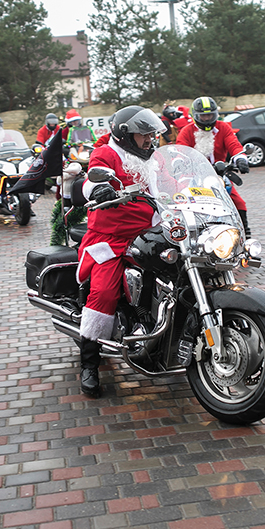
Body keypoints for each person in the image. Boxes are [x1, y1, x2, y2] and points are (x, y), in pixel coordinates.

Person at [77, 105, 167, 397]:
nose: (150, 140)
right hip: (111, 237)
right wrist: (98, 190)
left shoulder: (154, 157)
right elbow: (92, 179)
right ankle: (89, 362)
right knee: (103, 291)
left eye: (153, 135)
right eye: (145, 135)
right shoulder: (107, 153)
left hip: (153, 232)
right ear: (126, 135)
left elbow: (173, 182)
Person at [175, 97, 252, 236]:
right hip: (193, 176)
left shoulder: (223, 128)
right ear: (195, 116)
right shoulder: (187, 131)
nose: (207, 119)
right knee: (182, 205)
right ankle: (184, 235)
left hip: (219, 175)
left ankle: (244, 236)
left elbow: (234, 144)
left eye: (210, 115)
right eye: (203, 116)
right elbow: (180, 150)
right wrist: (181, 162)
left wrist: (241, 159)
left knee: (238, 203)